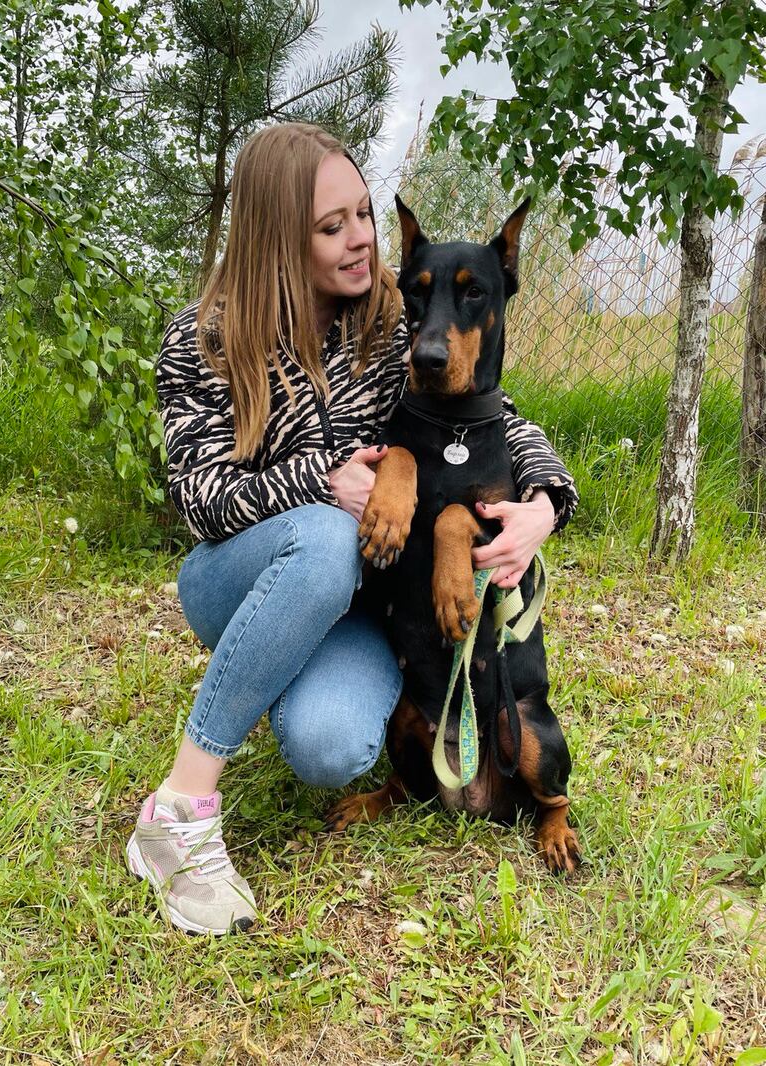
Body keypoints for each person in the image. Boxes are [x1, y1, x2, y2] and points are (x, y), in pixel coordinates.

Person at [126, 122, 579, 936]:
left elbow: (492, 421)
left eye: (363, 215)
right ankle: (177, 811)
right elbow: (197, 499)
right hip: (238, 574)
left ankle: (285, 675)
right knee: (333, 534)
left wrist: (546, 502)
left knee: (333, 746)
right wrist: (321, 483)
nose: (361, 238)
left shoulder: (387, 324)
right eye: (332, 226)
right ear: (275, 235)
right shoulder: (204, 337)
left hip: (354, 600)